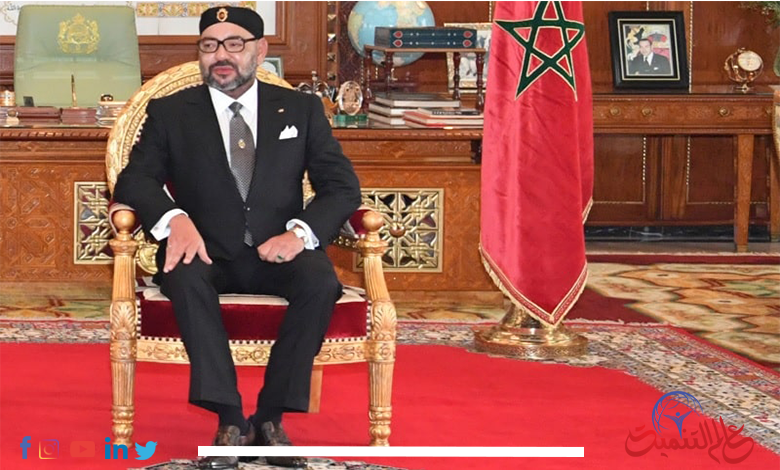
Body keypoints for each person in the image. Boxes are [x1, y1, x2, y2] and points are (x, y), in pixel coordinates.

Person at [113, 6, 361, 469]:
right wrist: (174, 218)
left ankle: (269, 419)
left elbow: (342, 187)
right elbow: (136, 180)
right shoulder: (172, 111)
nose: (221, 56)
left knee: (320, 282)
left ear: (260, 51)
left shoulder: (300, 109)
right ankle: (228, 418)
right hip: (203, 248)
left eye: (234, 44)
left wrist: (299, 234)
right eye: (209, 46)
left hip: (277, 247)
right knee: (184, 278)